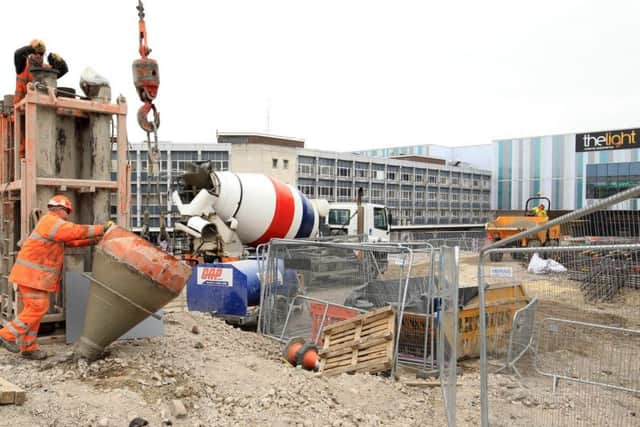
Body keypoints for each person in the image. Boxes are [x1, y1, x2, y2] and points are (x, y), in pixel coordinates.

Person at [0, 195, 112, 360]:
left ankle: (28, 347)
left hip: (33, 277)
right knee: (38, 309)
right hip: (32, 277)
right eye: (67, 211)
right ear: (61, 209)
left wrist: (95, 240)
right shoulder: (51, 222)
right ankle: (6, 334)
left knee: (34, 311)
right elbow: (74, 231)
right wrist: (101, 229)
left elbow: (71, 241)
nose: (68, 215)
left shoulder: (53, 226)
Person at [14, 39, 68, 158]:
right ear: (30, 53)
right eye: (36, 53)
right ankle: (23, 167)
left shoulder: (46, 69)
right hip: (22, 112)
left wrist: (60, 62)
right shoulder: (22, 66)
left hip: (41, 111)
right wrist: (32, 48)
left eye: (41, 54)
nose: (38, 56)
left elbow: (63, 70)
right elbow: (17, 54)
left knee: (42, 144)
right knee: (23, 145)